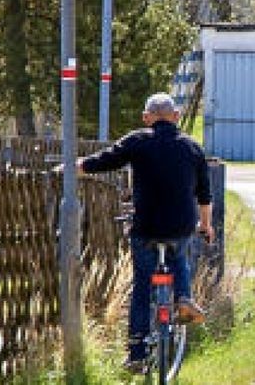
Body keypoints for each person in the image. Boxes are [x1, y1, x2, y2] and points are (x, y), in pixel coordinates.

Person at [74, 93, 214, 373]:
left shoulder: (137, 141)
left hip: (146, 225)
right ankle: (183, 298)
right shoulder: (192, 148)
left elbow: (106, 160)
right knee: (179, 258)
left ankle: (137, 353)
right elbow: (205, 195)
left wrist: (76, 168)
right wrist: (205, 225)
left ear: (146, 117)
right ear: (175, 117)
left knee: (141, 286)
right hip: (180, 224)